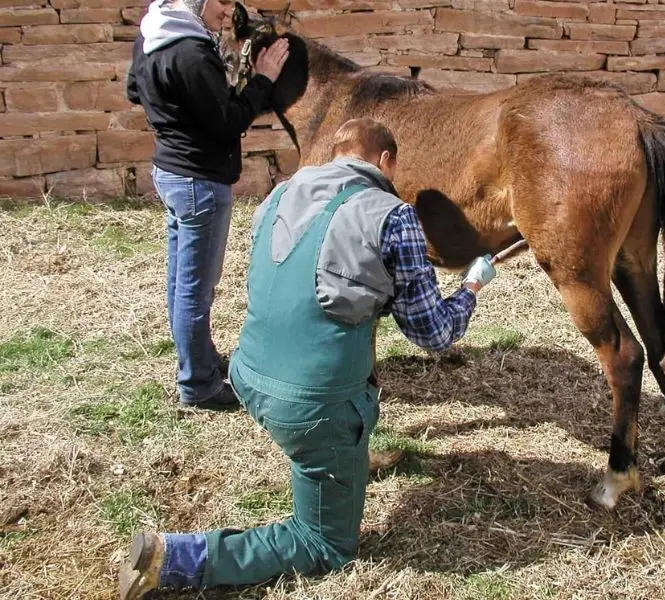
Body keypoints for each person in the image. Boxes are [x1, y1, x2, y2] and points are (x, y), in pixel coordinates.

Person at [117, 118, 499, 599]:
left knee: (348, 377)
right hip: (310, 407)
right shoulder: (392, 215)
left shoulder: (278, 195)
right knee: (323, 543)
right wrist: (471, 287)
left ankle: (347, 455)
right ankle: (176, 558)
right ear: (385, 161)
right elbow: (435, 333)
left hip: (248, 376)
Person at [126, 0, 289, 409]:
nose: (226, 11)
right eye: (218, 1)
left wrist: (173, 119)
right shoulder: (193, 52)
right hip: (199, 181)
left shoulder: (153, 34)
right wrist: (264, 79)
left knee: (182, 284)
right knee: (196, 291)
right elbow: (229, 120)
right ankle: (198, 385)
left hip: (169, 171)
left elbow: (134, 89)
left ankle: (197, 360)